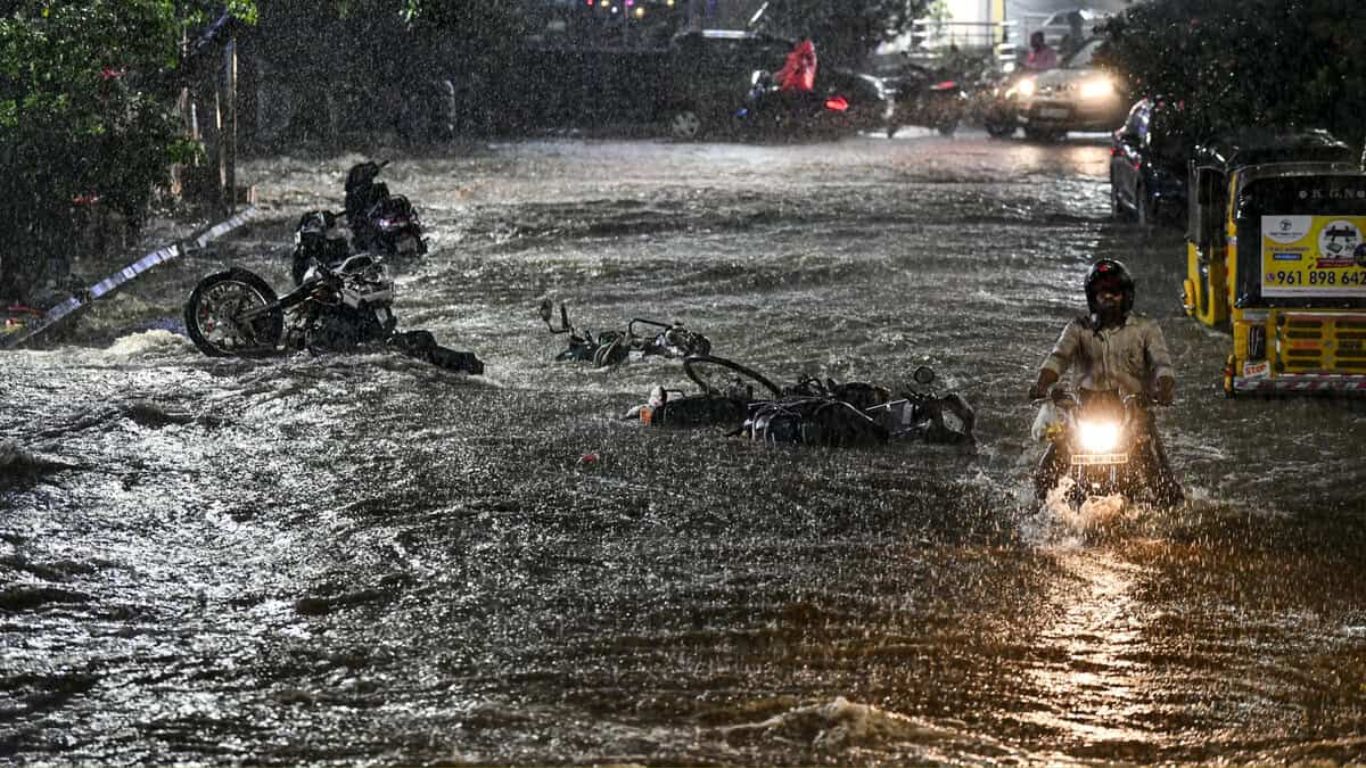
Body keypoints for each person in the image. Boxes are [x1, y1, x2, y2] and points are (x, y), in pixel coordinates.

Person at [1028, 259, 1181, 501]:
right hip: (1085, 410)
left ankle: (1171, 512)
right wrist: (1042, 383)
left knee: (1164, 483)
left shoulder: (1145, 328)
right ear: (1092, 297)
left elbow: (1162, 364)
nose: (1108, 297)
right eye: (1101, 292)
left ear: (1126, 295)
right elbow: (1058, 358)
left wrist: (1164, 388)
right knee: (1044, 477)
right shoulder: (1078, 329)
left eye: (1114, 291)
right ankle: (1038, 511)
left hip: (1133, 408)